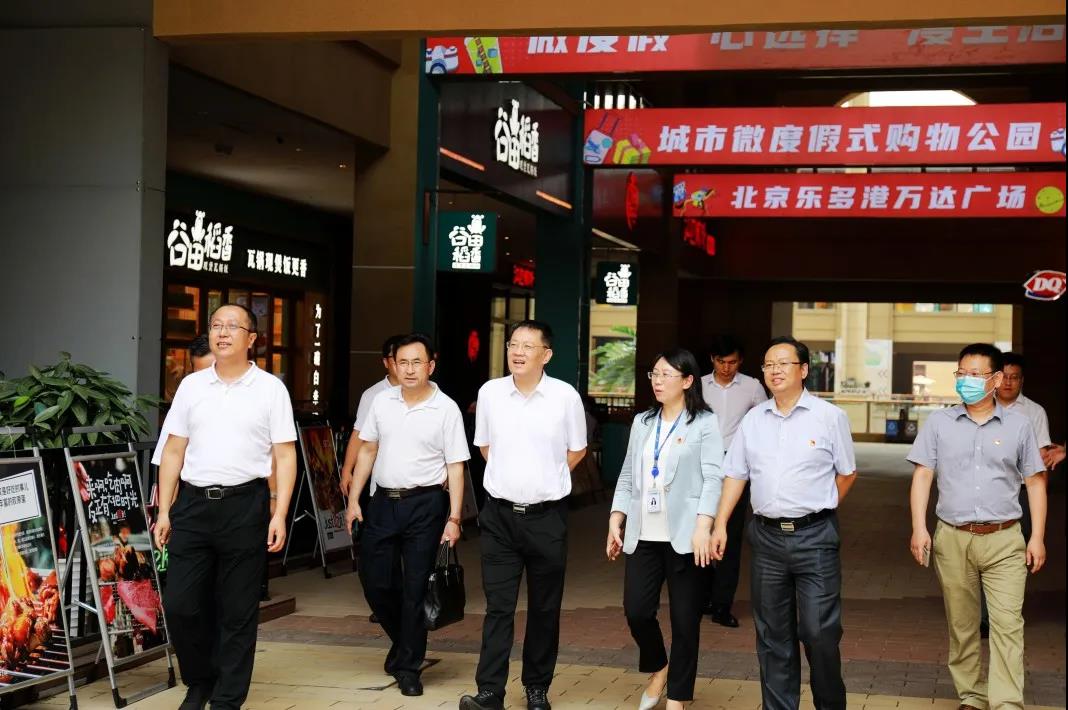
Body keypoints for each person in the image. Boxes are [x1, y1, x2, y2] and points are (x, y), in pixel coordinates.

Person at [154, 304, 297, 710]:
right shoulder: (191, 386)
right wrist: (164, 511)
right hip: (193, 506)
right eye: (216, 325)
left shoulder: (270, 389)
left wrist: (279, 513)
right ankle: (201, 679)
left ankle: (227, 699)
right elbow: (173, 450)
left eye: (232, 326)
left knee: (238, 610)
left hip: (245, 505)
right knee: (180, 605)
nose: (222, 332)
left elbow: (285, 456)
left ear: (251, 339)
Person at [711, 336, 856, 710]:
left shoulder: (829, 417)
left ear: (803, 370)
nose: (774, 371)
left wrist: (819, 509)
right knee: (773, 636)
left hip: (816, 538)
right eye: (768, 365)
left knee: (820, 632)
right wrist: (720, 523)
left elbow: (847, 473)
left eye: (783, 364)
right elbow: (735, 474)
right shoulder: (753, 420)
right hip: (767, 540)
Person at [907, 343, 1046, 710]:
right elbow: (923, 476)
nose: (965, 381)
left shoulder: (1019, 425)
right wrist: (919, 528)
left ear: (996, 379)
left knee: (1007, 623)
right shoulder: (939, 423)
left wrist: (1037, 537)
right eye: (961, 374)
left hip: (1005, 539)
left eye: (974, 374)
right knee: (963, 624)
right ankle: (971, 695)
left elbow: (1035, 482)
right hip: (952, 538)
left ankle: (1006, 702)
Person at [459, 320, 587, 710]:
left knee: (544, 608)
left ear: (546, 354)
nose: (517, 352)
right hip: (499, 516)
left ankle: (536, 688)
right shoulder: (490, 393)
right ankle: (490, 692)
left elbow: (577, 450)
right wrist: (512, 477)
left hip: (547, 518)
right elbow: (485, 447)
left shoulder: (564, 397)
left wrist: (546, 479)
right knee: (498, 607)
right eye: (513, 344)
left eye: (528, 346)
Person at [344, 333, 469, 697]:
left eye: (417, 362)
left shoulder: (446, 408)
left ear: (431, 365)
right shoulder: (381, 402)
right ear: (393, 366)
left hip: (425, 505)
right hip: (383, 502)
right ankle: (404, 643)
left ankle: (409, 667)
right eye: (403, 363)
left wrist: (454, 518)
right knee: (376, 581)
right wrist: (354, 500)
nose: (410, 369)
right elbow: (367, 450)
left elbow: (456, 466)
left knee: (416, 587)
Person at [607, 348, 723, 710]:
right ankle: (659, 666)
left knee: (685, 621)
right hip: (644, 534)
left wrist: (704, 525)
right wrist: (616, 517)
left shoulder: (705, 423)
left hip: (687, 537)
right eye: (654, 374)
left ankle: (677, 698)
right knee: (637, 611)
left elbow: (713, 478)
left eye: (665, 375)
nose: (657, 381)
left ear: (687, 381)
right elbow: (628, 473)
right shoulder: (643, 422)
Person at [699, 335, 767, 628]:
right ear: (712, 360)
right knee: (698, 529)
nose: (727, 367)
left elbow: (765, 423)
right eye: (721, 361)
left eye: (733, 362)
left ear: (741, 361)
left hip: (736, 468)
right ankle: (704, 595)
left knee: (730, 535)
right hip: (701, 465)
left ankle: (722, 604)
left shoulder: (753, 387)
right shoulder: (697, 385)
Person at [340, 334, 403, 494]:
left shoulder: (425, 393)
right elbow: (359, 434)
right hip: (383, 483)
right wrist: (347, 469)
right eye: (395, 358)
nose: (401, 363)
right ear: (385, 362)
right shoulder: (373, 395)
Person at [150, 334, 214, 468]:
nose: (209, 380)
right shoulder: (188, 393)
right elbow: (169, 456)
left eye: (214, 372)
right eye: (200, 375)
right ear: (192, 369)